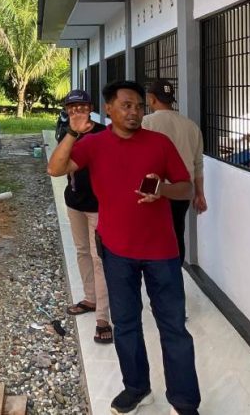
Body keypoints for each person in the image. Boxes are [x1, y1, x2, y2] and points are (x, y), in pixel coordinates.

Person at [48, 81, 201, 415]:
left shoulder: (159, 143)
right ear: (109, 109)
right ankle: (136, 388)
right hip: (117, 251)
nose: (134, 112)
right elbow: (55, 168)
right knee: (126, 324)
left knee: (173, 327)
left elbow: (186, 188)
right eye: (126, 106)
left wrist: (163, 189)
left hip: (162, 252)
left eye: (138, 106)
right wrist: (73, 133)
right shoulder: (94, 144)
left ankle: (185, 402)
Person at [56, 89, 112, 344]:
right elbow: (58, 165)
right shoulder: (67, 133)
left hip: (98, 207)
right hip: (75, 202)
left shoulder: (103, 134)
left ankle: (103, 319)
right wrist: (72, 134)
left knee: (99, 258)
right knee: (81, 252)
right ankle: (90, 298)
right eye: (71, 107)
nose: (76, 111)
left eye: (81, 106)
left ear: (90, 108)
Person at [141, 79, 206, 263]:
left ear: (151, 99)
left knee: (152, 235)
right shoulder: (191, 126)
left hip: (152, 189)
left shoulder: (145, 123)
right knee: (177, 232)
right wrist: (199, 194)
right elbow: (197, 164)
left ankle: (155, 272)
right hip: (181, 191)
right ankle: (175, 272)